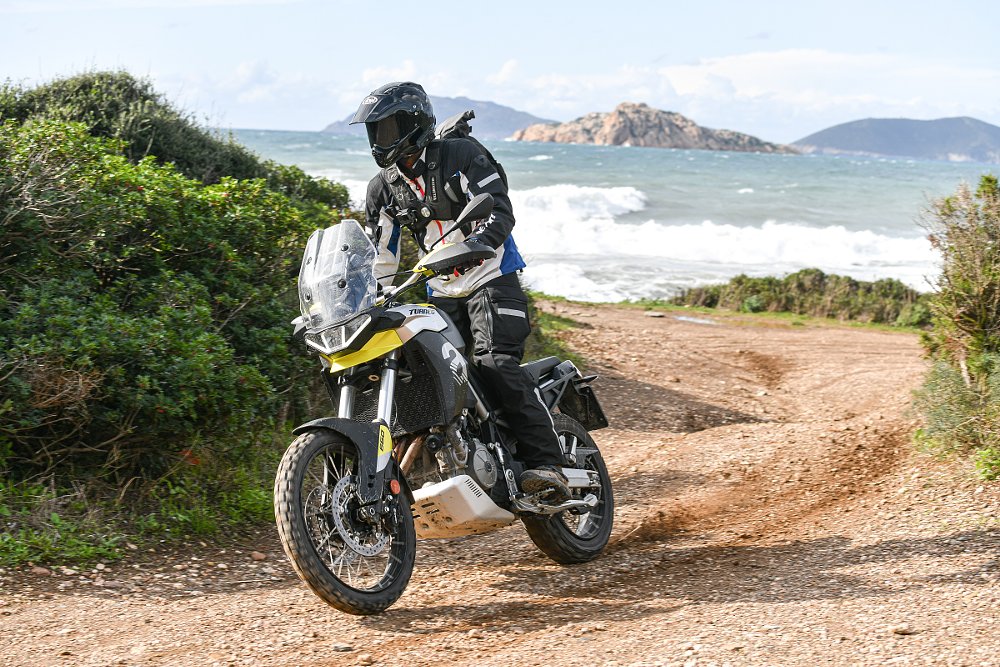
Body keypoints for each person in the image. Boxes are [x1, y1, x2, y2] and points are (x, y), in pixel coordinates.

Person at [351, 81, 570, 502]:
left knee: (494, 362)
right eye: (374, 130)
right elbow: (381, 257)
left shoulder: (460, 155)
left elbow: (499, 209)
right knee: (433, 380)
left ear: (412, 124)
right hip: (439, 290)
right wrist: (367, 298)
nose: (379, 139)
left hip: (492, 276)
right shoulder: (382, 188)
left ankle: (550, 463)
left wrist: (476, 245)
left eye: (387, 128)